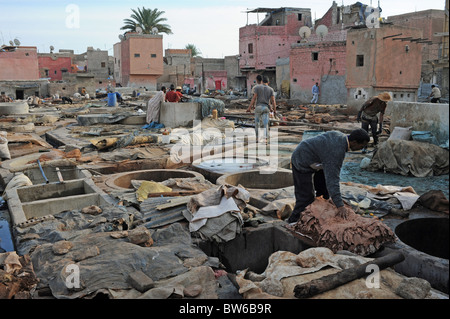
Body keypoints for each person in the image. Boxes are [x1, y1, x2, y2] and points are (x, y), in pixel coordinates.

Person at [288, 129, 370, 223]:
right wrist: (340, 205)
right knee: (305, 197)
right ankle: (292, 221)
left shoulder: (342, 137)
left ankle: (318, 212)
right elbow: (333, 180)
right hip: (301, 159)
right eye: (361, 146)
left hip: (318, 161)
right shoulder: (336, 151)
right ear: (354, 142)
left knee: (324, 193)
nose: (362, 149)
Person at [246, 76, 276, 143]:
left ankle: (257, 138)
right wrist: (274, 110)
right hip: (265, 108)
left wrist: (249, 108)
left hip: (258, 107)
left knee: (257, 123)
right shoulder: (271, 89)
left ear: (262, 81)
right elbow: (272, 101)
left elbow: (254, 98)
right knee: (265, 124)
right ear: (268, 82)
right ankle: (265, 139)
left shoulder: (257, 87)